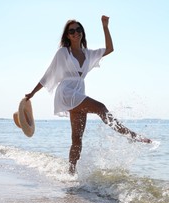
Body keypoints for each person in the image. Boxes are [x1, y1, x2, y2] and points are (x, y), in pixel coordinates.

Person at [25, 15, 151, 174]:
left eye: (78, 30)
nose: (76, 33)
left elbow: (110, 49)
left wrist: (105, 27)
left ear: (82, 33)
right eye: (72, 31)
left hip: (79, 93)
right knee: (101, 107)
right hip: (66, 92)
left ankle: (70, 173)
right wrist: (32, 93)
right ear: (67, 35)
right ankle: (131, 135)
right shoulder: (63, 52)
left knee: (77, 140)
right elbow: (48, 75)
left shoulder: (88, 54)